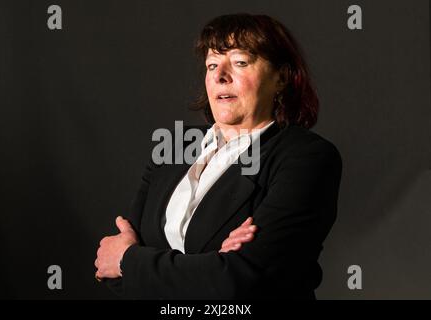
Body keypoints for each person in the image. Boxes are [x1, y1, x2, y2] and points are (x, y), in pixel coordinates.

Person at [94, 13, 342, 300]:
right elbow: (112, 273)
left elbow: (243, 280)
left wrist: (129, 261)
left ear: (282, 78)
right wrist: (210, 266)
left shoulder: (306, 157)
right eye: (212, 64)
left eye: (240, 63)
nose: (220, 76)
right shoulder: (176, 145)